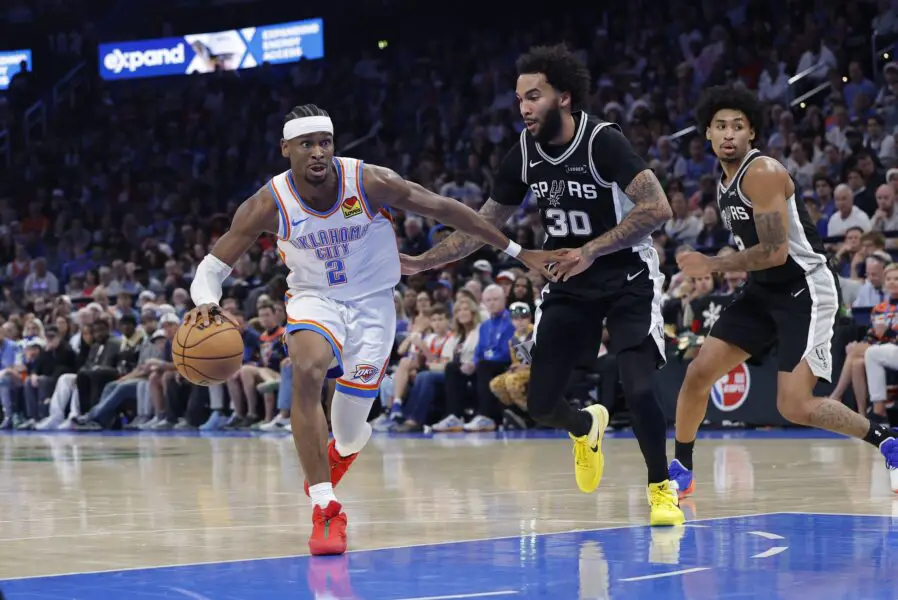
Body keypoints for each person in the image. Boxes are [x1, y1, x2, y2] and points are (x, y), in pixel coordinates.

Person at [184, 104, 567, 556]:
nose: (318, 152)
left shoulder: (369, 182)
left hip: (373, 305)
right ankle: (327, 510)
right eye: (306, 144)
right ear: (286, 149)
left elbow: (447, 209)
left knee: (349, 431)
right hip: (314, 299)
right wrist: (206, 303)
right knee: (306, 370)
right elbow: (210, 270)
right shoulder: (267, 204)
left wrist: (521, 252)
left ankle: (341, 452)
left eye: (324, 142)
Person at [401, 44, 683, 526]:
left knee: (637, 388)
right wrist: (421, 262)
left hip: (625, 275)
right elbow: (483, 226)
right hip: (567, 284)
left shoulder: (603, 143)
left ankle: (661, 488)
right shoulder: (524, 154)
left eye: (534, 96)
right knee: (540, 402)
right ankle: (584, 426)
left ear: (565, 98)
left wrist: (591, 249)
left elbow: (658, 209)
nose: (524, 108)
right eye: (519, 99)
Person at [672, 85, 898, 499]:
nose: (728, 134)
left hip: (805, 288)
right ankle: (681, 468)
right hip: (763, 290)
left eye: (737, 127)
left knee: (794, 406)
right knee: (697, 374)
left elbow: (775, 253)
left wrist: (714, 264)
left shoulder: (762, 173)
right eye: (720, 126)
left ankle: (887, 439)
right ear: (706, 133)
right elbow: (755, 251)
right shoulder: (721, 183)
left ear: (751, 134)